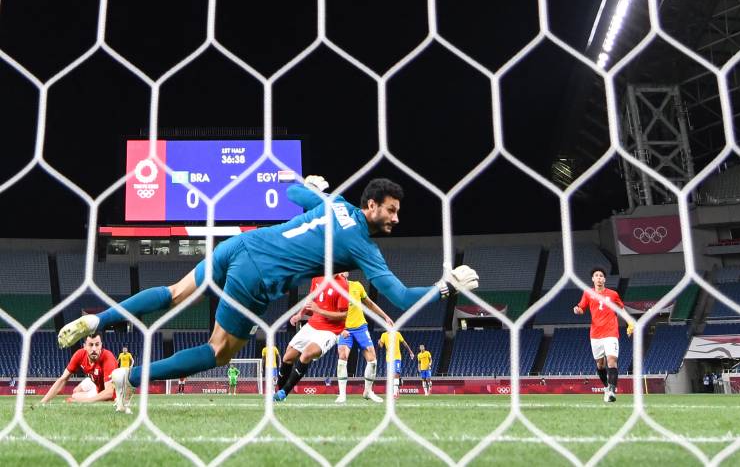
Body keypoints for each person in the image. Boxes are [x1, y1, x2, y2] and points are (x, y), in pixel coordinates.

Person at [57, 176, 480, 412]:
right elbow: (402, 297)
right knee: (218, 353)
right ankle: (127, 379)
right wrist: (445, 288)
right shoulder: (362, 245)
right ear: (371, 206)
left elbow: (295, 192)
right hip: (258, 278)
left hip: (239, 245)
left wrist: (308, 183)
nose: (395, 218)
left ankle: (99, 319)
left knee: (173, 293)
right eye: (390, 210)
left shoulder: (333, 203)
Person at [274, 274, 351, 401]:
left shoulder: (342, 284)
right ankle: (279, 393)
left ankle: (284, 392)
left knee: (306, 354)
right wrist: (300, 314)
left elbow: (343, 315)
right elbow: (311, 300)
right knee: (288, 357)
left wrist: (319, 310)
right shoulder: (317, 278)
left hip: (330, 330)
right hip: (312, 324)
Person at [334, 272, 391, 404]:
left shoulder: (357, 286)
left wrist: (385, 317)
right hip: (344, 329)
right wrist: (340, 329)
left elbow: (370, 304)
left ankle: (368, 391)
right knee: (342, 356)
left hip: (360, 328)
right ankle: (342, 394)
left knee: (372, 360)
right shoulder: (334, 290)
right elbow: (329, 313)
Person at [573, 267, 624, 403]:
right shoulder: (588, 293)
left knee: (612, 360)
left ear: (604, 279)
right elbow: (581, 308)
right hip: (595, 334)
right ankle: (607, 388)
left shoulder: (613, 294)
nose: (599, 278)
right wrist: (577, 310)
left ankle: (612, 390)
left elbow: (621, 308)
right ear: (593, 279)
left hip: (611, 332)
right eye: (596, 275)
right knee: (600, 365)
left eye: (601, 275)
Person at [40, 334, 118, 408]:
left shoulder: (108, 358)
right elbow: (62, 379)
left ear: (101, 345)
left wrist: (86, 401)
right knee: (75, 393)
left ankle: (87, 398)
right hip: (97, 382)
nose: (94, 349)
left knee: (76, 398)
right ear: (85, 346)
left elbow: (109, 393)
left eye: (97, 345)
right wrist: (43, 402)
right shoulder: (80, 354)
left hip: (112, 391)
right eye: (90, 345)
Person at [379, 330, 414, 399]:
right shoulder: (384, 335)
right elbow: (381, 346)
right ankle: (397, 388)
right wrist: (379, 342)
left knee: (396, 374)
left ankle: (394, 394)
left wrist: (410, 352)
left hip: (397, 357)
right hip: (389, 359)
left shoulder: (397, 334)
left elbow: (404, 343)